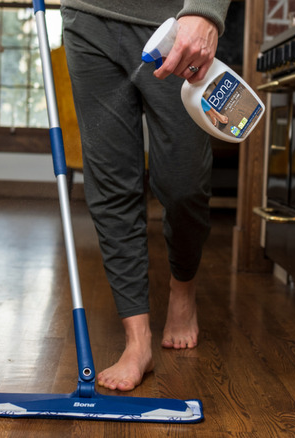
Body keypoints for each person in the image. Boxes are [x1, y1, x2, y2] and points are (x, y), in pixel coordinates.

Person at [61, 0, 231, 392]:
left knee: (184, 183)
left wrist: (207, 11)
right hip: (87, 18)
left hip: (175, 22)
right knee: (111, 182)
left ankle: (183, 285)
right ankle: (137, 342)